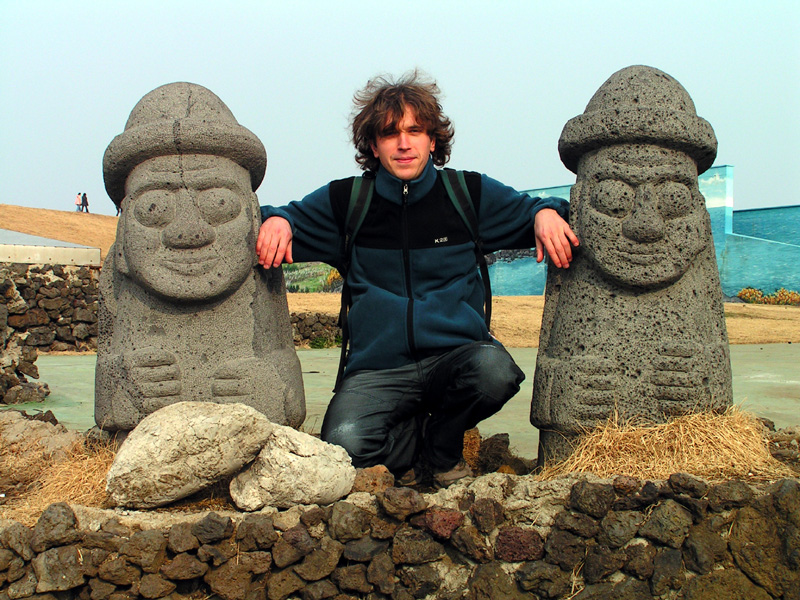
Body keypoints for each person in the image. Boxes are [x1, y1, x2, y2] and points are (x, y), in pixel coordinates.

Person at [257, 71, 578, 488]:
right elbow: (279, 216)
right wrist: (278, 219)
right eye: (390, 134)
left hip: (456, 357)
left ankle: (442, 446)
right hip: (378, 369)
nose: (403, 143)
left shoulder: (468, 194)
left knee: (496, 372)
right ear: (373, 145)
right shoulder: (347, 202)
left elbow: (533, 208)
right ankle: (412, 440)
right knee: (343, 443)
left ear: (432, 139)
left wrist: (547, 211)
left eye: (414, 130)